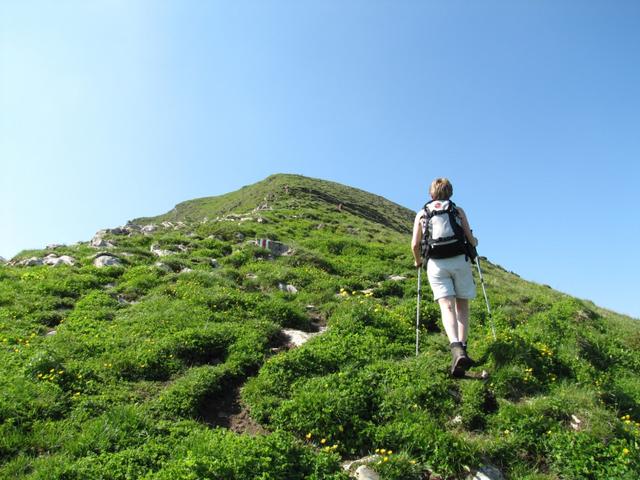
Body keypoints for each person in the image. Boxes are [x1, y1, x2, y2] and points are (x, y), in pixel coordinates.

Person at [411, 178, 478, 377]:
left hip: (436, 264)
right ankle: (463, 349)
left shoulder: (422, 213)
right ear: (450, 193)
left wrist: (418, 261)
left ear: (431, 194)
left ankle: (456, 349)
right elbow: (470, 238)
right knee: (462, 306)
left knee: (446, 306)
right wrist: (475, 241)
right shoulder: (457, 211)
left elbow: (415, 244)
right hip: (459, 261)